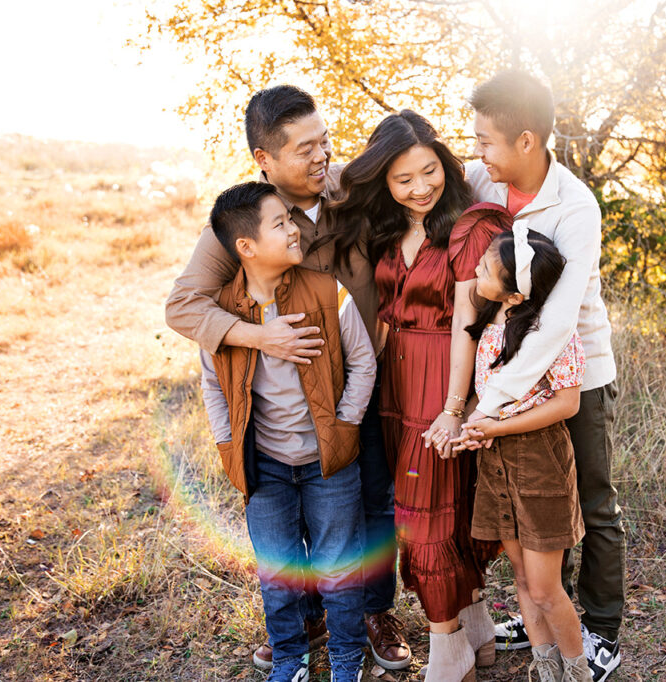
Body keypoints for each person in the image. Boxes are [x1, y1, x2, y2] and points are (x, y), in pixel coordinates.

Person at [165, 85, 411, 671]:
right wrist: (260, 336)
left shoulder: (347, 184)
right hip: (293, 400)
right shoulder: (249, 218)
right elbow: (182, 307)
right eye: (306, 149)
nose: (322, 156)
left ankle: (374, 610)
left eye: (325, 140)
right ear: (265, 160)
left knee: (372, 498)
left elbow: (420, 170)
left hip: (366, 373)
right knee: (296, 513)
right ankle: (305, 624)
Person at [324, 110, 503, 681]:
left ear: (445, 165)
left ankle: (448, 648)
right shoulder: (386, 229)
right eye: (404, 179)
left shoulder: (469, 227)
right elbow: (381, 320)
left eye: (430, 171)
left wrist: (455, 409)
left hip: (442, 382)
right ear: (384, 182)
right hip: (392, 387)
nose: (421, 187)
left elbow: (468, 327)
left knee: (431, 518)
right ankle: (477, 630)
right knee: (426, 514)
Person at [465, 71, 625, 681]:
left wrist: (492, 403)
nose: (477, 152)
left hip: (570, 375)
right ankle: (542, 607)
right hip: (503, 370)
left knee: (590, 498)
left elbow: (556, 325)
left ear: (526, 140)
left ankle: (600, 630)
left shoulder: (576, 207)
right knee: (526, 504)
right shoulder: (486, 178)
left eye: (486, 141)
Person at [197, 181, 376, 682]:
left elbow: (362, 362)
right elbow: (214, 386)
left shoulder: (325, 290)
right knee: (277, 574)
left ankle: (345, 654)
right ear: (246, 247)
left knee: (339, 568)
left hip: (328, 459)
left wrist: (345, 426)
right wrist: (228, 445)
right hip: (264, 465)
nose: (295, 228)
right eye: (280, 223)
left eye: (290, 219)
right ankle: (291, 656)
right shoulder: (222, 314)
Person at [452, 223, 593, 682]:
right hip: (494, 460)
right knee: (520, 576)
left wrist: (498, 426)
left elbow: (566, 403)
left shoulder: (549, 333)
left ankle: (576, 674)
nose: (477, 267)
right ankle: (546, 668)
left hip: (537, 459)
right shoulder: (490, 319)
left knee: (546, 586)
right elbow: (485, 393)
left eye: (487, 268)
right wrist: (472, 426)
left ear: (514, 295)